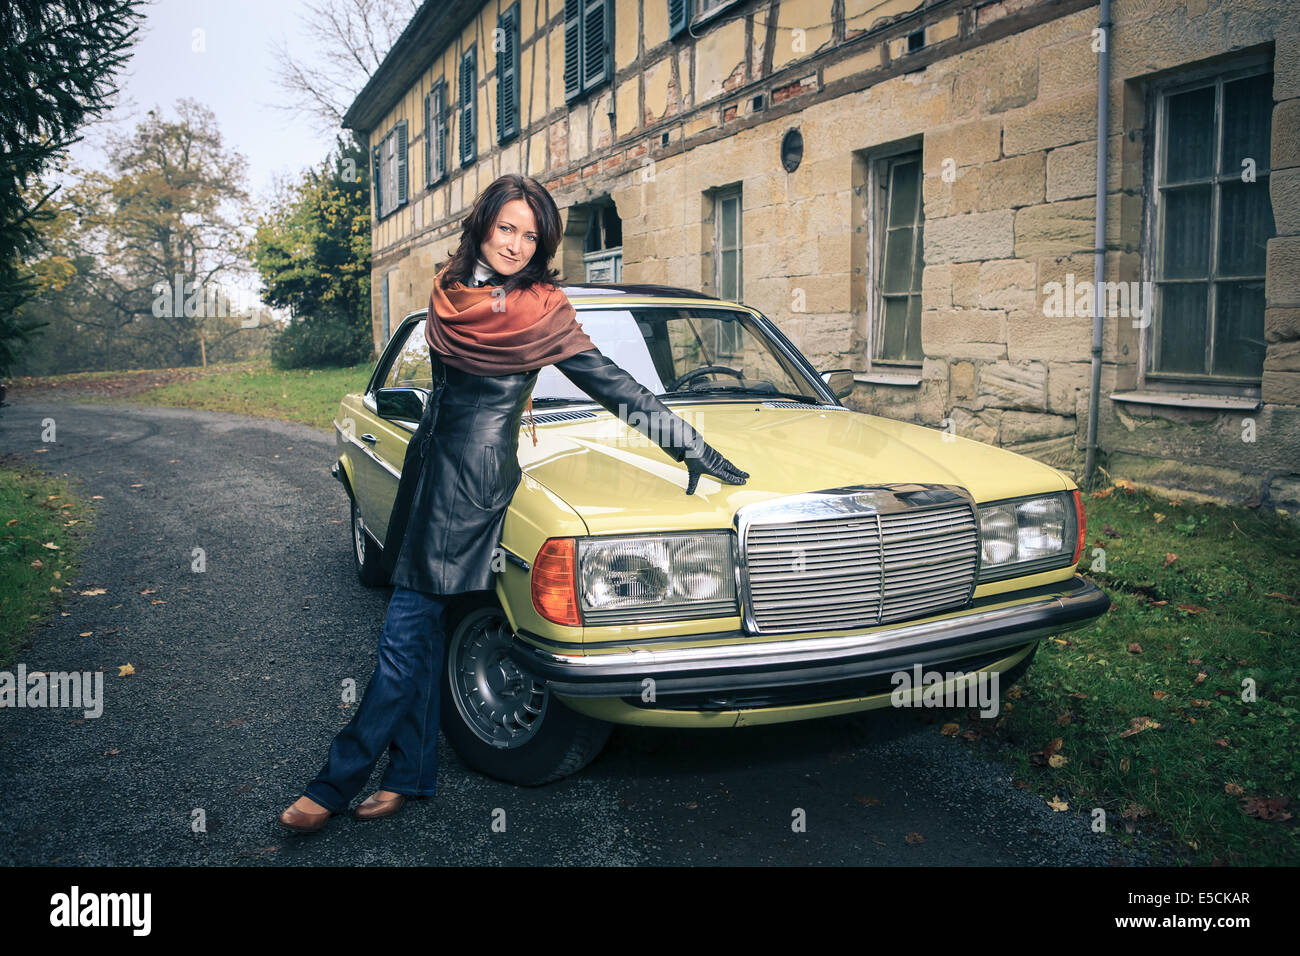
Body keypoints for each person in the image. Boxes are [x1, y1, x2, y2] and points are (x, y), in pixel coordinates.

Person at [277, 173, 748, 831]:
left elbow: (614, 384)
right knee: (422, 631)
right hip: (425, 465)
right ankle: (410, 775)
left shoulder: (542, 310)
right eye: (507, 228)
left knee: (402, 634)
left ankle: (335, 782)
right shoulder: (452, 289)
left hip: (470, 483)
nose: (517, 244)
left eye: (530, 235)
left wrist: (689, 446)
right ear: (484, 225)